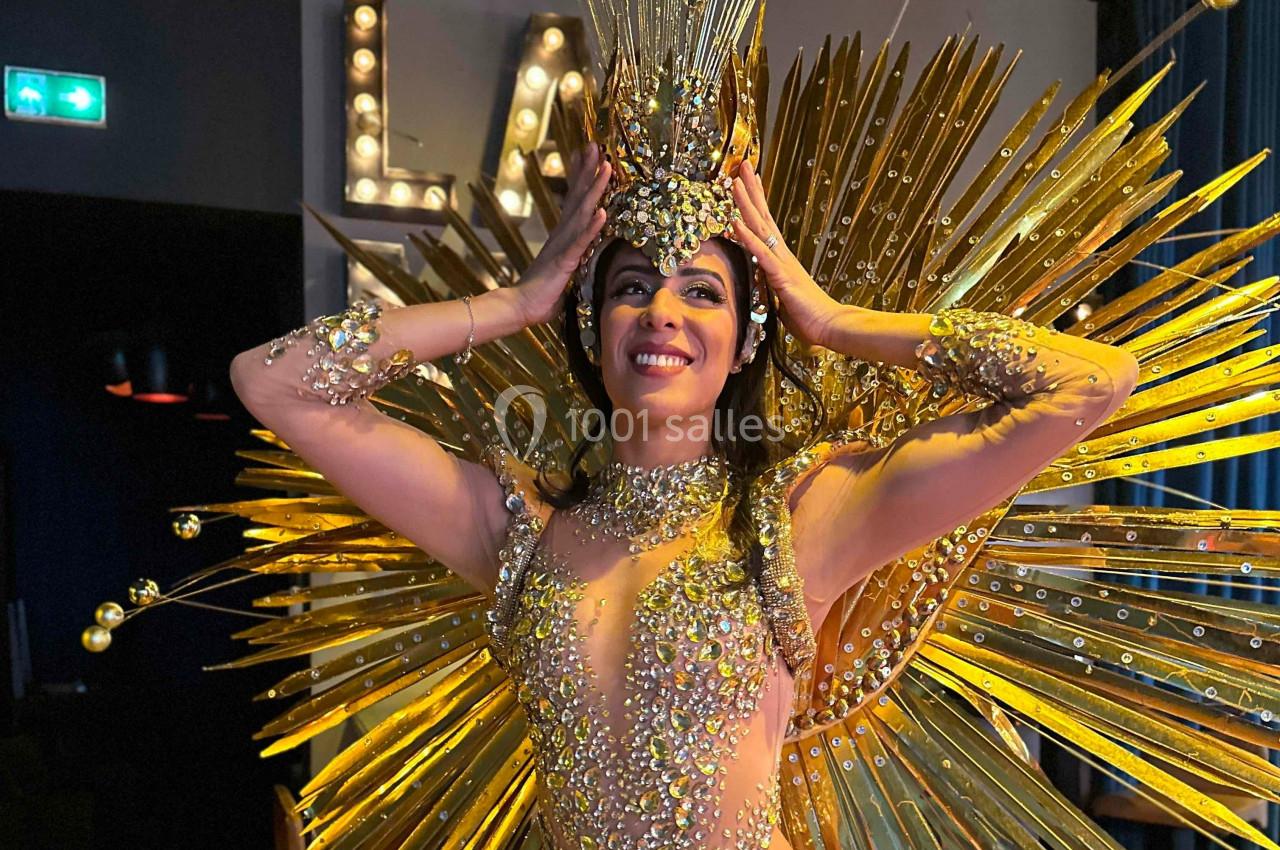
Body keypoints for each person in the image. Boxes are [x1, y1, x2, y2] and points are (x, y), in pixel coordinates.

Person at [88, 2, 1280, 848]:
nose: (660, 311)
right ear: (589, 325)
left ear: (744, 334)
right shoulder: (516, 533)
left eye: (701, 289)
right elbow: (272, 380)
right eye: (627, 285)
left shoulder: (798, 527)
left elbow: (1093, 380)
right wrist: (512, 297)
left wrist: (832, 315)